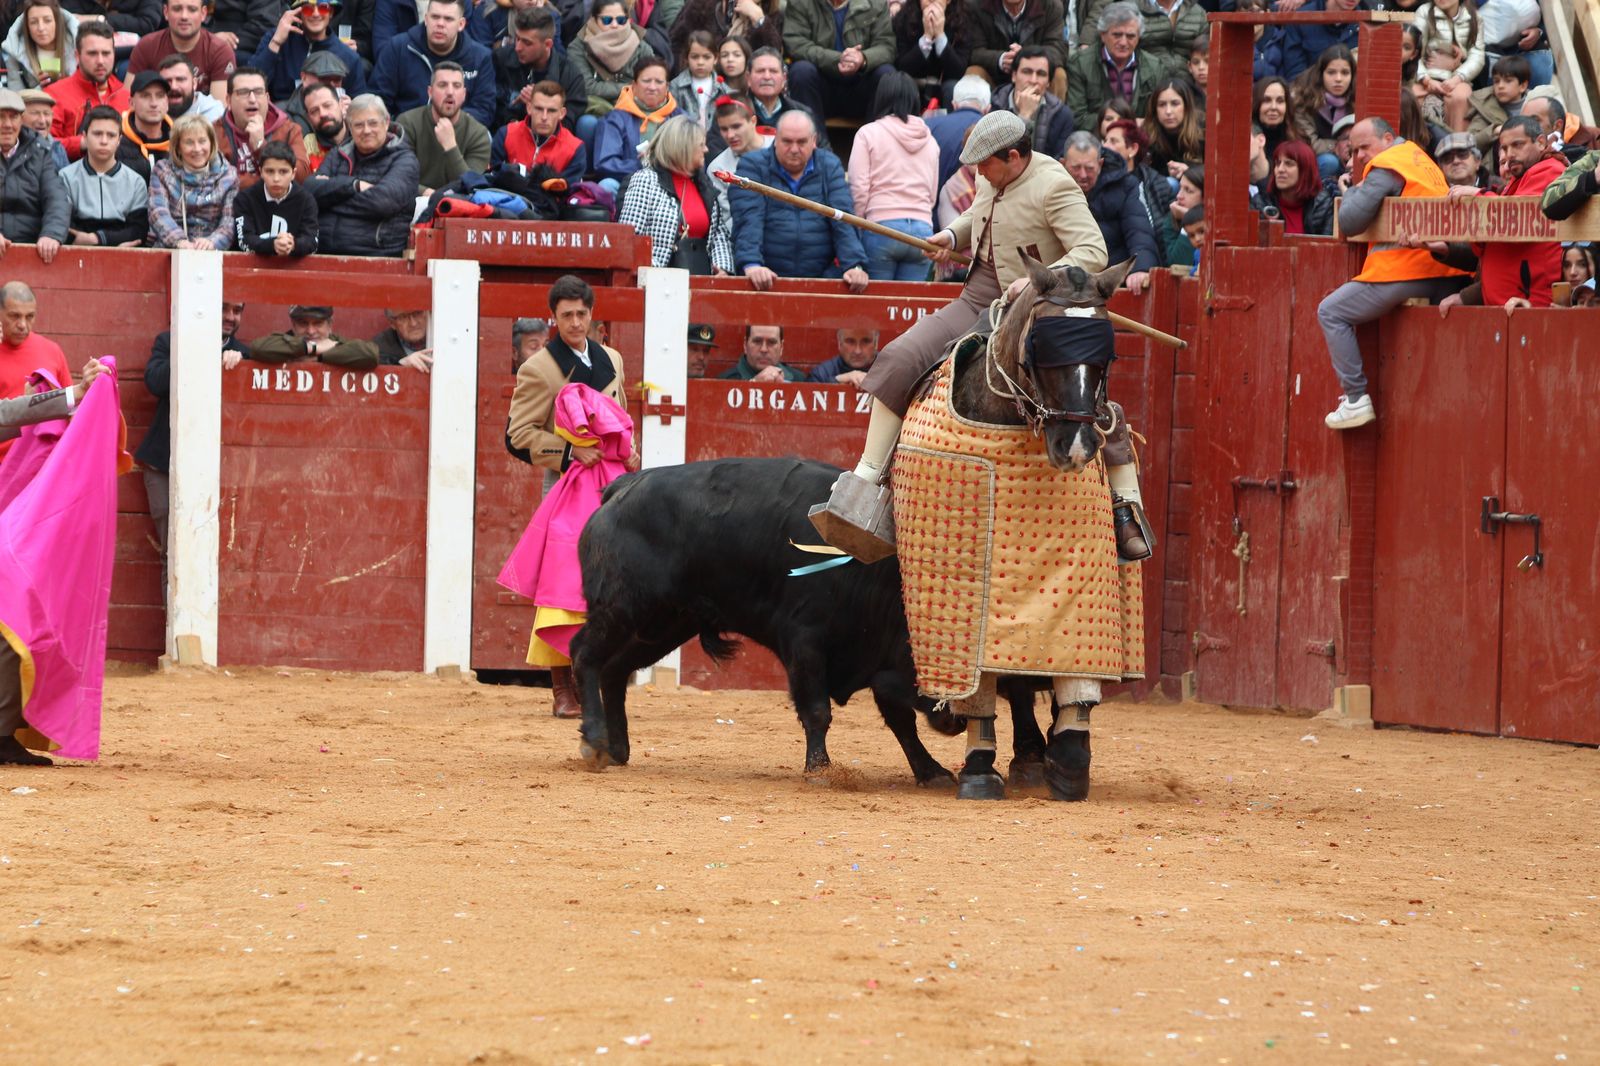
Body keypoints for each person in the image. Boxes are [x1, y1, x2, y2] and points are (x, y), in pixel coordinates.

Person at [819, 110, 1106, 537]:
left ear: (1013, 156)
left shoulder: (1055, 185)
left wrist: (1035, 283)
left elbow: (1093, 251)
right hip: (978, 294)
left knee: (1085, 395)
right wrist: (952, 236)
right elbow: (980, 215)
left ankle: (1123, 506)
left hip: (1030, 309)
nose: (979, 174)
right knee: (900, 356)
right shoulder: (994, 176)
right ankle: (866, 476)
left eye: (985, 165)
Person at [505, 273, 634, 717]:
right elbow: (517, 435)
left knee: (609, 584)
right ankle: (562, 687)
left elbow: (619, 416)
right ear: (553, 318)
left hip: (614, 485)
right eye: (566, 316)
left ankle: (593, 680)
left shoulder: (612, 358)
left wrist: (630, 449)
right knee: (562, 584)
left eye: (581, 314)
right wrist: (570, 451)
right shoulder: (539, 367)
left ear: (592, 314)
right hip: (567, 483)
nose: (575, 323)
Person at [1318, 116, 1470, 430]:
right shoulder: (1419, 158)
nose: (1359, 156)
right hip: (1446, 267)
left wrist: (1350, 191)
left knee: (1330, 311)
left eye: (1364, 147)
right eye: (1354, 151)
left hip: (1407, 266)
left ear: (1387, 139)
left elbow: (1349, 223)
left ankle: (1355, 398)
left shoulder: (1388, 164)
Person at [134, 298, 248, 559]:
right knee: (174, 555)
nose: (230, 316)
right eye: (223, 308)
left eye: (237, 311)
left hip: (216, 470)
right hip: (165, 465)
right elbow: (155, 382)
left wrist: (240, 362)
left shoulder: (242, 353)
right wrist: (199, 349)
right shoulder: (170, 341)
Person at [1433, 116, 1565, 311]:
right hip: (1504, 305)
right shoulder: (1517, 178)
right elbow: (1483, 248)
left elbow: (1517, 221)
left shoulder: (1550, 169)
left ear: (1540, 142)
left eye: (1517, 145)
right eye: (1504, 148)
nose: (1509, 154)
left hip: (1528, 304)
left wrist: (1478, 195)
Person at [729, 110, 869, 291]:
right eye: (787, 141)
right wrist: (751, 264)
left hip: (820, 281)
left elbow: (843, 219)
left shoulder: (829, 165)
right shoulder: (752, 166)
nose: (794, 149)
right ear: (776, 139)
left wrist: (854, 265)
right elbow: (748, 219)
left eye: (802, 142)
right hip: (766, 280)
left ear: (814, 140)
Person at [848, 70, 937, 281]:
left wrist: (860, 225)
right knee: (908, 310)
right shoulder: (930, 140)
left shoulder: (868, 133)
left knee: (877, 308)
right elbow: (931, 194)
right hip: (922, 232)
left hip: (881, 227)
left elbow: (858, 188)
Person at [616, 114, 732, 274]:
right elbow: (630, 237)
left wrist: (723, 269)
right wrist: (656, 272)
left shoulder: (704, 184)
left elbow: (718, 233)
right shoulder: (646, 180)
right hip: (656, 282)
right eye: (701, 145)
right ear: (683, 147)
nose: (706, 149)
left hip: (700, 278)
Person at [309, 93, 420, 256]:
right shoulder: (338, 154)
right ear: (349, 127)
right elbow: (310, 192)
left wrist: (330, 198)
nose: (366, 130)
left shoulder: (405, 160)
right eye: (359, 125)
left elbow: (382, 203)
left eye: (373, 123)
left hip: (375, 256)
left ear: (386, 122)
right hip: (322, 252)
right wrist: (354, 185)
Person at [371, 0, 497, 128]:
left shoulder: (480, 57)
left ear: (461, 24)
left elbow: (484, 109)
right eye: (435, 17)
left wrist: (449, 125)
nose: (440, 24)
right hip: (406, 133)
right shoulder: (398, 48)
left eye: (448, 19)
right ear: (426, 19)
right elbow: (378, 99)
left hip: (458, 134)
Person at [1061, 130, 1156, 294]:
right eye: (1076, 168)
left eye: (1089, 168)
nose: (1083, 175)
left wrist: (1140, 268)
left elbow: (1138, 230)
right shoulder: (1051, 186)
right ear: (1062, 164)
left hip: (1110, 282)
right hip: (1065, 282)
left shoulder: (1124, 186)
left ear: (1100, 164)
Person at [782, 0, 895, 125]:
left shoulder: (876, 3)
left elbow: (887, 46)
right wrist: (838, 59)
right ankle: (816, 142)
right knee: (801, 71)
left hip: (862, 85)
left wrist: (863, 58)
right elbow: (795, 43)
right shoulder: (800, 3)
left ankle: (876, 141)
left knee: (887, 74)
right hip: (821, 86)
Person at [0, 280, 73, 463]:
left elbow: (69, 407)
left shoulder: (51, 350)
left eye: (30, 316)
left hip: (38, 464)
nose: (23, 324)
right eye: (14, 316)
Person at [60, 104, 149, 246]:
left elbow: (139, 230)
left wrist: (98, 238)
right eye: (97, 134)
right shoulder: (66, 177)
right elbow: (62, 222)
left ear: (119, 140)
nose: (104, 141)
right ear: (84, 136)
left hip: (123, 255)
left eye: (111, 135)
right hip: (76, 252)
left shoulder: (135, 182)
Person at [397, 61, 491, 193]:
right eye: (442, 85)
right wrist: (427, 193)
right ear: (430, 92)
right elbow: (398, 178)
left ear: (464, 94)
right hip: (411, 203)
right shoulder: (407, 123)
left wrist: (450, 146)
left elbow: (471, 188)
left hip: (458, 208)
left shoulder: (478, 134)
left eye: (456, 86)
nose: (450, 92)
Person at [148, 111, 239, 248]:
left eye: (202, 141)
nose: (197, 149)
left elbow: (229, 222)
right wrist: (179, 241)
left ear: (211, 143)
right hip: (170, 249)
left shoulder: (229, 175)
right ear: (178, 147)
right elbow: (158, 213)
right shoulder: (162, 171)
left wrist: (211, 242)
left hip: (211, 252)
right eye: (189, 142)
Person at [1067, 3, 1169, 122]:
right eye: (1117, 35)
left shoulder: (1155, 68)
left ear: (1138, 37)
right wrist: (1121, 124)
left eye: (1130, 36)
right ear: (1102, 35)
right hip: (1096, 137)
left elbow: (1160, 116)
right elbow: (1077, 117)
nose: (1123, 42)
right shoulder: (1080, 64)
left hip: (1141, 137)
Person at [250, 0, 367, 103]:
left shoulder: (348, 56)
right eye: (308, 9)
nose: (316, 14)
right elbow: (250, 84)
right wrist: (276, 43)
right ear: (298, 13)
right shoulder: (277, 37)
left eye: (323, 8)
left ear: (331, 13)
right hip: (283, 117)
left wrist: (349, 107)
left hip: (326, 121)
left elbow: (360, 106)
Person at [0, 89, 69, 263]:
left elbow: (57, 199)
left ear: (21, 120)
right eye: (1, 117)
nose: (7, 124)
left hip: (32, 252)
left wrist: (51, 234)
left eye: (13, 117)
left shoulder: (40, 153)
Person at [214, 65, 312, 187]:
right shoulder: (215, 132)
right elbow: (216, 180)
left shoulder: (289, 129)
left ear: (267, 98)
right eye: (243, 92)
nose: (252, 99)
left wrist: (262, 147)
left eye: (258, 92)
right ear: (228, 100)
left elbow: (302, 175)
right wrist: (270, 183)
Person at [566, 0, 652, 138]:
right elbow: (586, 87)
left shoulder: (642, 46)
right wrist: (630, 87)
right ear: (593, 20)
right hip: (596, 109)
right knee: (587, 123)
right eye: (607, 20)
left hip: (635, 108)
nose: (614, 25)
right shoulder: (578, 47)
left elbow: (649, 84)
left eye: (621, 20)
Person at [589, 54, 675, 190]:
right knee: (607, 185)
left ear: (667, 87)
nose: (652, 87)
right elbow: (605, 163)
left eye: (659, 82)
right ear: (634, 85)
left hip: (670, 184)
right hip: (627, 184)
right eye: (646, 81)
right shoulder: (615, 118)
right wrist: (644, 164)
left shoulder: (679, 118)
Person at [45, 19, 125, 158]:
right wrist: (82, 143)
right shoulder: (55, 94)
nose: (100, 61)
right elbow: (44, 143)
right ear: (77, 56)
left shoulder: (125, 94)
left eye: (106, 53)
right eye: (92, 53)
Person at [493, 6, 585, 128]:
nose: (518, 47)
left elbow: (568, 124)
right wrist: (514, 116)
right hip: (507, 135)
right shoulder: (500, 59)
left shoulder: (569, 75)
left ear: (548, 44)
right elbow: (491, 109)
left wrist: (541, 103)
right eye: (517, 39)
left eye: (527, 43)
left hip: (550, 144)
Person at [127, 0, 239, 100]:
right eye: (177, 9)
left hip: (203, 121)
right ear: (166, 12)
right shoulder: (146, 46)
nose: (184, 16)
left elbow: (218, 113)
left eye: (192, 9)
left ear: (203, 13)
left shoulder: (220, 51)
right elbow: (127, 99)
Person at [1104, 116, 1177, 263]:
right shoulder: (1100, 182)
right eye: (1105, 141)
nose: (1105, 147)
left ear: (1132, 149)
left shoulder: (1157, 184)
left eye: (1113, 141)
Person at [491, 78, 586, 185]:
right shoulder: (506, 134)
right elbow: (491, 178)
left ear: (562, 113)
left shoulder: (575, 149)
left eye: (551, 111)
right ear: (529, 108)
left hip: (548, 201)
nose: (544, 117)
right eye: (539, 109)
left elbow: (566, 194)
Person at [232, 137, 318, 255]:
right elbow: (243, 241)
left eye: (283, 172)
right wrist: (272, 245)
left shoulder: (306, 200)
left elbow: (312, 241)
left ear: (293, 173)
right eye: (270, 171)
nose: (276, 179)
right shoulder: (245, 199)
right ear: (261, 172)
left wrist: (293, 245)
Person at [1412, 0, 1484, 133]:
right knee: (1411, 96)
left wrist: (1457, 78)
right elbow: (1414, 51)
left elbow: (1477, 55)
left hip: (1456, 78)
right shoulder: (1425, 12)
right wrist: (1426, 79)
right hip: (1426, 76)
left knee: (1461, 97)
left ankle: (1458, 147)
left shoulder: (1474, 17)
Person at [992, 44, 1073, 159]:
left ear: (1048, 82)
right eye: (1027, 72)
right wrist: (1024, 117)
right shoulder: (994, 107)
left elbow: (1057, 164)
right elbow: (1001, 159)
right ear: (1014, 76)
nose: (1033, 80)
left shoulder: (1062, 115)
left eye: (1041, 74)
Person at [1290, 44, 1353, 180]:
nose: (1338, 79)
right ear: (1321, 74)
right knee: (1329, 162)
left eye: (1345, 73)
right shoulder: (1304, 100)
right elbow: (1309, 144)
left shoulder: (1358, 99)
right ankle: (1320, 200)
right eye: (1331, 72)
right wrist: (1336, 146)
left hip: (1352, 157)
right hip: (1315, 161)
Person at [891, 0, 970, 106]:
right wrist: (927, 38)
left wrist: (940, 36)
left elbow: (958, 70)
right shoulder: (904, 17)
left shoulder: (963, 19)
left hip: (945, 83)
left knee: (953, 88)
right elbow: (902, 66)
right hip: (913, 81)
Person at [969, 0, 1066, 84]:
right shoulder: (977, 5)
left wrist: (1026, 56)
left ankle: (1054, 106)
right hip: (995, 75)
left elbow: (1057, 50)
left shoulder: (1050, 6)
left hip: (1035, 73)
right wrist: (1001, 59)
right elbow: (973, 52)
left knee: (1059, 75)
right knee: (973, 72)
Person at [250, 304, 380, 365]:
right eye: (303, 323)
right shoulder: (282, 342)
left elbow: (371, 354)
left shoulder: (335, 342)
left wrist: (319, 357)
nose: (311, 331)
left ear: (330, 325)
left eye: (318, 323)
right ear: (293, 324)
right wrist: (311, 348)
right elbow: (258, 348)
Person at [1465, 53, 1529, 163]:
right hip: (1498, 167)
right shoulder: (1486, 107)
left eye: (1508, 81)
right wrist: (1493, 131)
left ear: (1522, 86)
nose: (1500, 86)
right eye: (1496, 81)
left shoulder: (1536, 104)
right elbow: (1468, 143)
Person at [1260, 139, 1333, 236]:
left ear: (1305, 170)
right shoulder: (1262, 201)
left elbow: (1327, 248)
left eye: (1289, 164)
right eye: (1278, 163)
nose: (1280, 169)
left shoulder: (1323, 204)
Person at [3, 0, 81, 90]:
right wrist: (40, 90)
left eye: (47, 20)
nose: (41, 28)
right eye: (33, 22)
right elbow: (16, 96)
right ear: (27, 27)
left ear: (58, 22)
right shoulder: (15, 51)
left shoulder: (78, 46)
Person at [927, 73, 986, 191]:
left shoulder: (927, 126)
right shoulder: (992, 131)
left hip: (927, 205)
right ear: (987, 109)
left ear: (954, 104)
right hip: (971, 205)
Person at [669, 0, 783, 61]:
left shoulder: (772, 14)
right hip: (703, 78)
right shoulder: (701, 6)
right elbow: (676, 43)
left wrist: (760, 20)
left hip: (747, 84)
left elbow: (773, 54)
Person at [1280, 0, 1364, 82]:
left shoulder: (1365, 24)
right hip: (1310, 92)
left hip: (1351, 93)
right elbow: (1295, 73)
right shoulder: (1301, 18)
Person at [1141, 75, 1201, 180]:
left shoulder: (1203, 132)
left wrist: (1189, 171)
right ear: (1155, 109)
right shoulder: (1145, 136)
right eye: (1162, 104)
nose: (1168, 111)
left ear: (1186, 107)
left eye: (1175, 104)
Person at [117, 68, 171, 177]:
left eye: (160, 96)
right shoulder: (115, 141)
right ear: (131, 103)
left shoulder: (180, 142)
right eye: (146, 96)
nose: (154, 103)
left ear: (167, 103)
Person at [705, 94, 767, 192]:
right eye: (724, 129)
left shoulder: (780, 147)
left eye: (736, 126)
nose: (730, 135)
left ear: (753, 121)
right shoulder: (718, 168)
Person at [1126, 0, 1205, 70]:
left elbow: (1207, 54)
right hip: (1147, 81)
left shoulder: (1198, 12)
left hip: (1188, 82)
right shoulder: (1131, 9)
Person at [718, 323, 804, 381]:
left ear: (781, 347)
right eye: (757, 341)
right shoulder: (724, 382)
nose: (764, 349)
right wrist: (754, 385)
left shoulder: (799, 380)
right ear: (745, 344)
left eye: (771, 342)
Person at [161, 52, 226, 122]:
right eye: (167, 81)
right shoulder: (151, 111)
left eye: (180, 79)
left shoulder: (214, 115)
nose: (173, 87)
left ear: (194, 83)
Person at [298, 80, 348, 168]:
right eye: (314, 111)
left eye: (327, 105)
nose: (322, 114)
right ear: (308, 119)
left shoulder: (361, 139)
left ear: (342, 106)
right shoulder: (305, 150)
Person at [17, 88, 69, 170]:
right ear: (17, 117)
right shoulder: (8, 150)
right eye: (35, 113)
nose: (42, 120)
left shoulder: (57, 148)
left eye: (46, 114)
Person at [808, 326, 877, 386]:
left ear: (876, 343)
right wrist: (837, 380)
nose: (857, 351)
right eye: (850, 341)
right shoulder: (821, 374)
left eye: (866, 341)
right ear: (839, 343)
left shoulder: (887, 370)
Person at [1254, 75, 1301, 160]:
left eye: (1280, 101)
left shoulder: (1297, 136)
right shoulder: (1248, 140)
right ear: (1257, 104)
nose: (1273, 107)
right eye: (1266, 100)